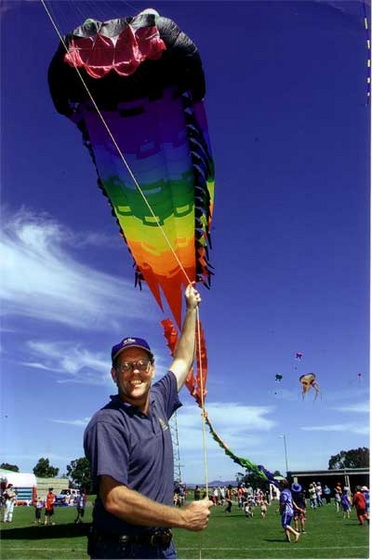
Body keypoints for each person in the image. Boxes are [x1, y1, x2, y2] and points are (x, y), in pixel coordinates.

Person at [84, 284, 213, 559]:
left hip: (163, 548)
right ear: (114, 374)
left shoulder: (159, 398)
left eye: (141, 364)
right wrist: (182, 518)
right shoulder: (107, 423)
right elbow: (115, 498)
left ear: (152, 369)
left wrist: (190, 309)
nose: (135, 373)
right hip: (122, 550)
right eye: (125, 366)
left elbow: (183, 359)